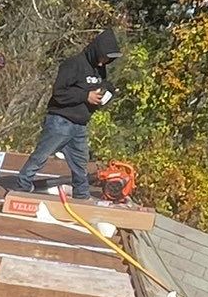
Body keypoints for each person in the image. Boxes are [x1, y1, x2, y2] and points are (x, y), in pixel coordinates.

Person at [7, 30, 123, 193]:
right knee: (42, 154)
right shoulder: (73, 64)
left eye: (108, 60)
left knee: (81, 163)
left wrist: (107, 93)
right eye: (103, 57)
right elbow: (59, 93)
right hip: (60, 121)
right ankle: (23, 183)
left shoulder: (100, 69)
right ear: (96, 51)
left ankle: (81, 194)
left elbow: (99, 89)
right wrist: (85, 96)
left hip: (80, 125)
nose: (103, 63)